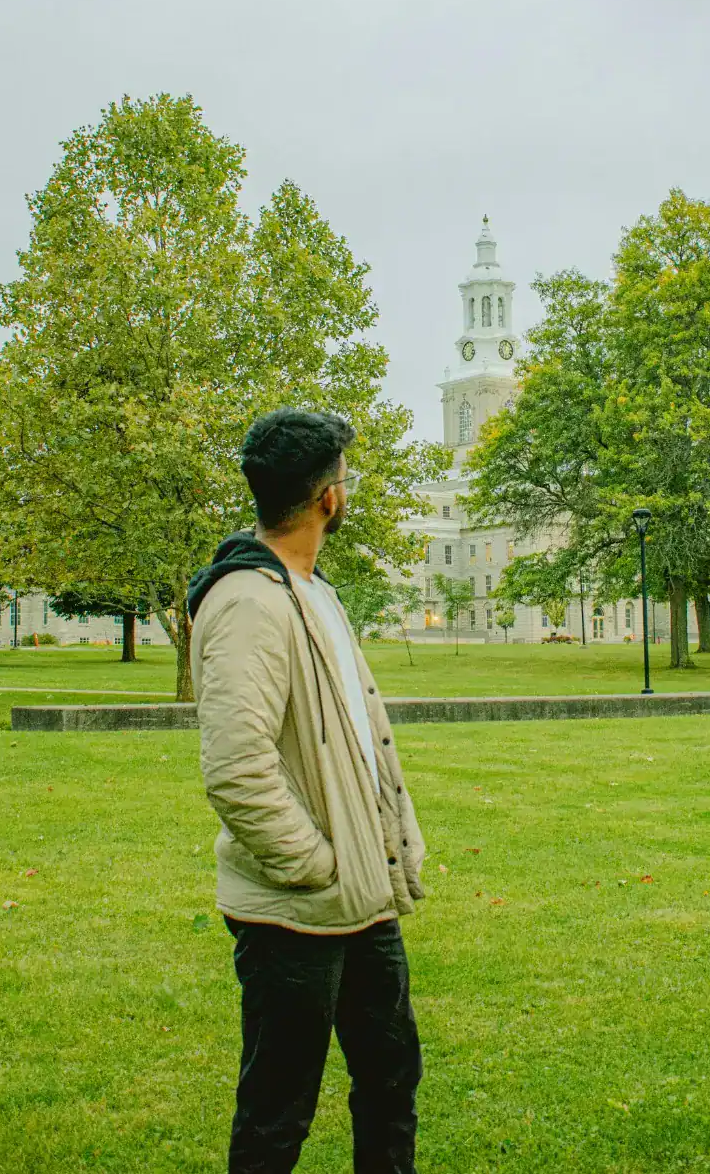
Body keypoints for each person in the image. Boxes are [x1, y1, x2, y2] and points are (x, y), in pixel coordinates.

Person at [186, 409, 428, 1174]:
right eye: (344, 477)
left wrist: (388, 846)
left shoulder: (311, 590)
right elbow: (236, 765)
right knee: (279, 1111)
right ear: (329, 497)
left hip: (364, 898)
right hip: (297, 907)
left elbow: (360, 737)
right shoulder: (250, 601)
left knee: (390, 1078)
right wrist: (315, 863)